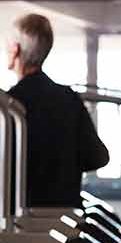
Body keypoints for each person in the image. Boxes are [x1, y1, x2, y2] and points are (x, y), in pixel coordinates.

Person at [6, 13, 109, 208]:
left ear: (15, 50)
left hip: (18, 224)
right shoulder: (68, 98)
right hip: (65, 223)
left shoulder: (7, 104)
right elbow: (97, 157)